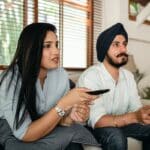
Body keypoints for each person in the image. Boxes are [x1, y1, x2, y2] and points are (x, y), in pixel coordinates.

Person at [0, 22, 99, 150]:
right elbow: (24, 133)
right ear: (31, 48)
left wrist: (73, 115)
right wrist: (63, 104)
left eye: (56, 45)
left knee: (75, 143)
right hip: (15, 133)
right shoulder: (10, 80)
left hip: (46, 129)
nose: (56, 51)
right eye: (47, 46)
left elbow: (62, 119)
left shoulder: (61, 75)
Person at [77, 23, 150, 150]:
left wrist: (144, 114)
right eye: (116, 44)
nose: (123, 49)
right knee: (115, 136)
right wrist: (135, 116)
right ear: (104, 49)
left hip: (121, 124)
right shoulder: (91, 77)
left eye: (124, 44)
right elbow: (97, 120)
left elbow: (135, 107)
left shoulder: (128, 76)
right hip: (94, 127)